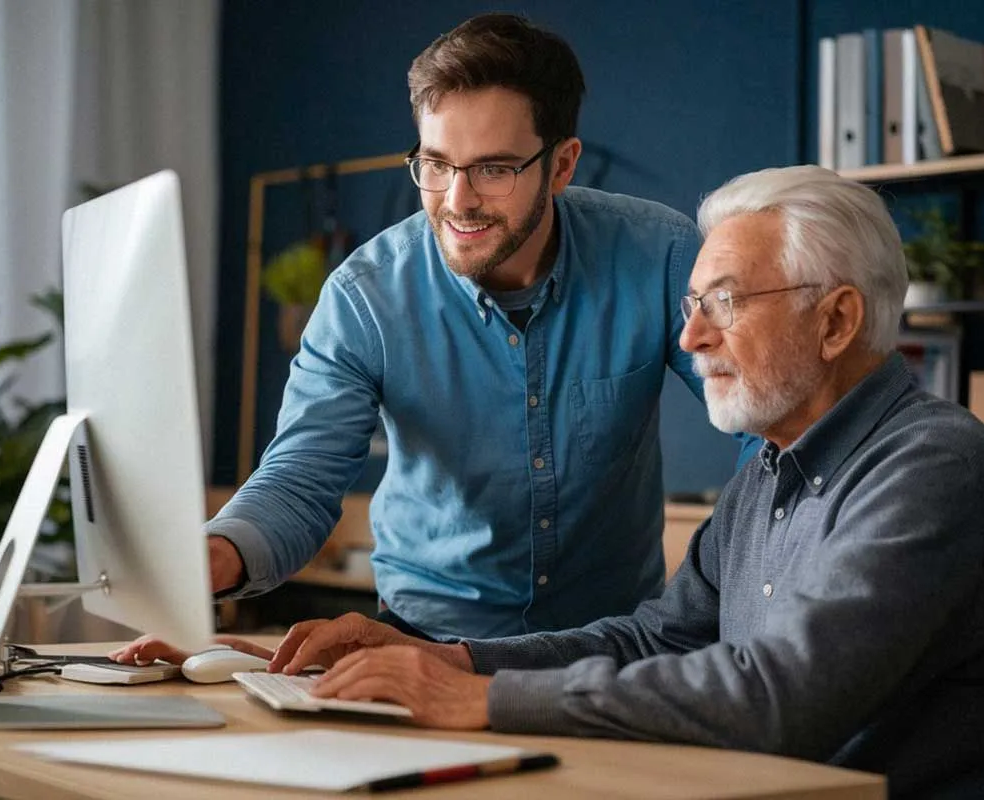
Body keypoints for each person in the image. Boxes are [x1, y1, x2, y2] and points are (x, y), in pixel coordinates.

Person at [119, 165, 984, 798]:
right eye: (691, 307)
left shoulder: (933, 466)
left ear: (837, 318)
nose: (689, 338)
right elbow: (656, 635)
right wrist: (451, 659)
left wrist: (477, 701)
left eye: (724, 304)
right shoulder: (772, 472)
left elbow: (780, 699)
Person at [206, 13, 707, 640]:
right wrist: (211, 559)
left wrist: (721, 595)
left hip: (609, 648)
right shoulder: (366, 297)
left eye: (494, 169)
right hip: (425, 641)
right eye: (436, 164)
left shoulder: (660, 255)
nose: (457, 200)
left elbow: (764, 424)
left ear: (561, 166)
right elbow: (301, 477)